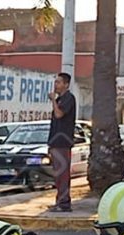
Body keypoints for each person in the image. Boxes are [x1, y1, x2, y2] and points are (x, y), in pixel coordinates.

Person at [47, 72, 77, 212]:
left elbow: (59, 114)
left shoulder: (68, 98)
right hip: (55, 141)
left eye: (59, 82)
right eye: (56, 82)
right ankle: (59, 200)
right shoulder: (60, 99)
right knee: (58, 173)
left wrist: (53, 100)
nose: (56, 85)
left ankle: (64, 203)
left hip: (63, 142)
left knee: (63, 173)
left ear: (66, 84)